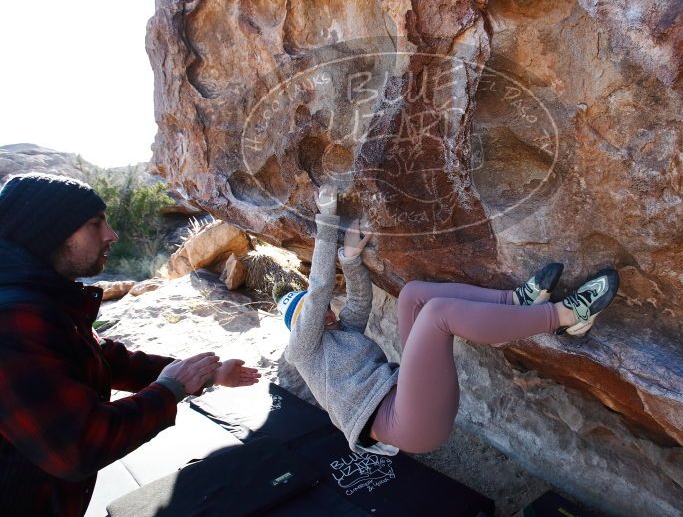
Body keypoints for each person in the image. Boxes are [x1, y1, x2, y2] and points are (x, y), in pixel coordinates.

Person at [278, 184, 619, 456]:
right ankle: (567, 316)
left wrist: (349, 259)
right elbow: (320, 288)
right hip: (408, 424)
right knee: (436, 316)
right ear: (303, 324)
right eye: (311, 311)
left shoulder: (339, 331)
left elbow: (357, 302)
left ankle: (517, 301)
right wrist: (327, 219)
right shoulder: (303, 349)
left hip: (409, 397)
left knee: (414, 296)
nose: (323, 312)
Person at [0, 173, 261, 516]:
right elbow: (79, 445)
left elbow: (104, 357)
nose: (112, 235)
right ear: (51, 232)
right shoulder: (13, 322)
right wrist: (170, 389)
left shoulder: (41, 301)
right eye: (96, 224)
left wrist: (206, 375)